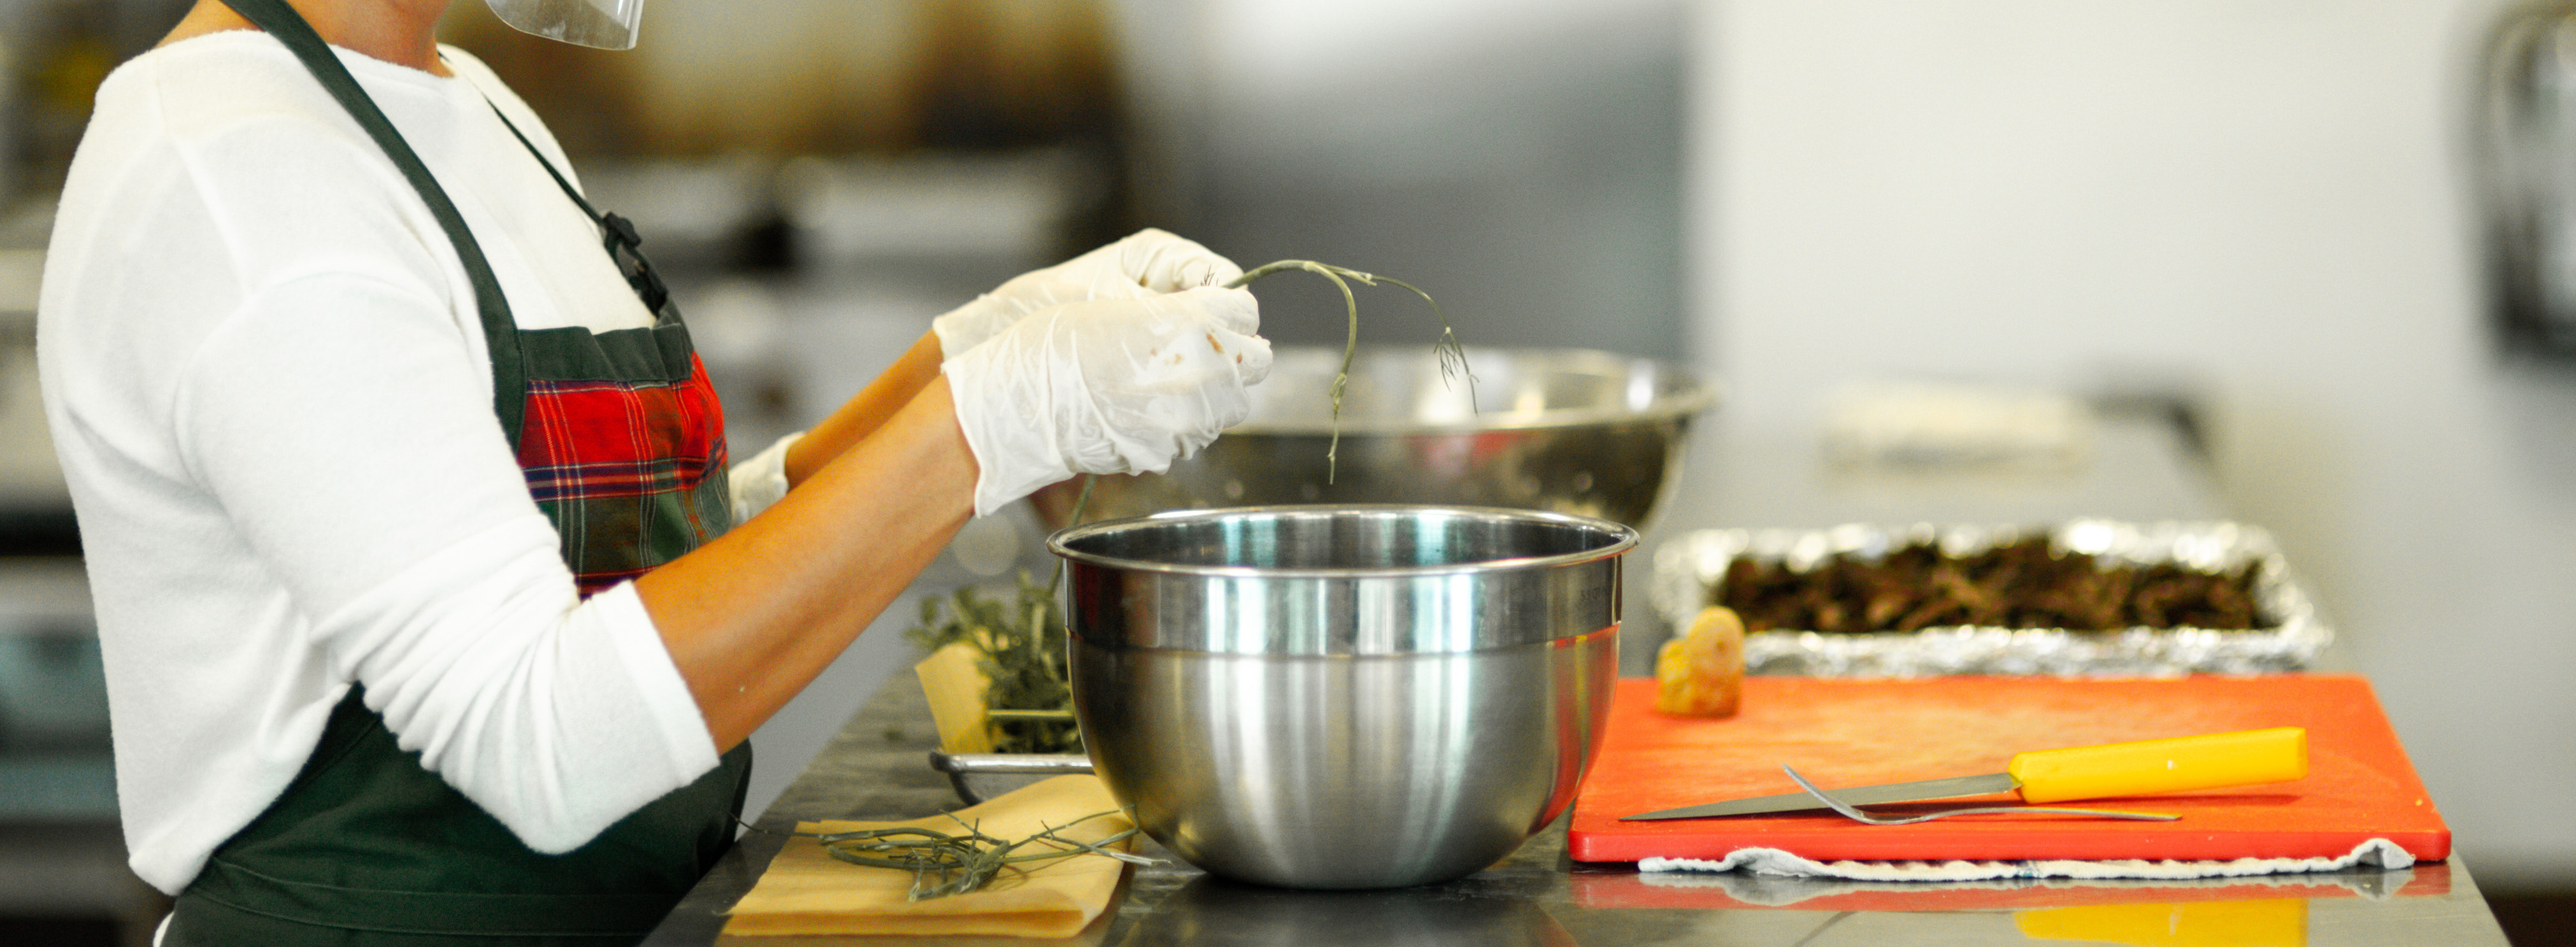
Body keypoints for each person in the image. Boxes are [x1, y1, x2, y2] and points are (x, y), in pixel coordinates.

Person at [34, 0, 1270, 942]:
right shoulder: (242, 174)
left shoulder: (464, 96)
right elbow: (544, 733)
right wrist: (979, 427)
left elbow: (605, 571)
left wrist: (971, 358)